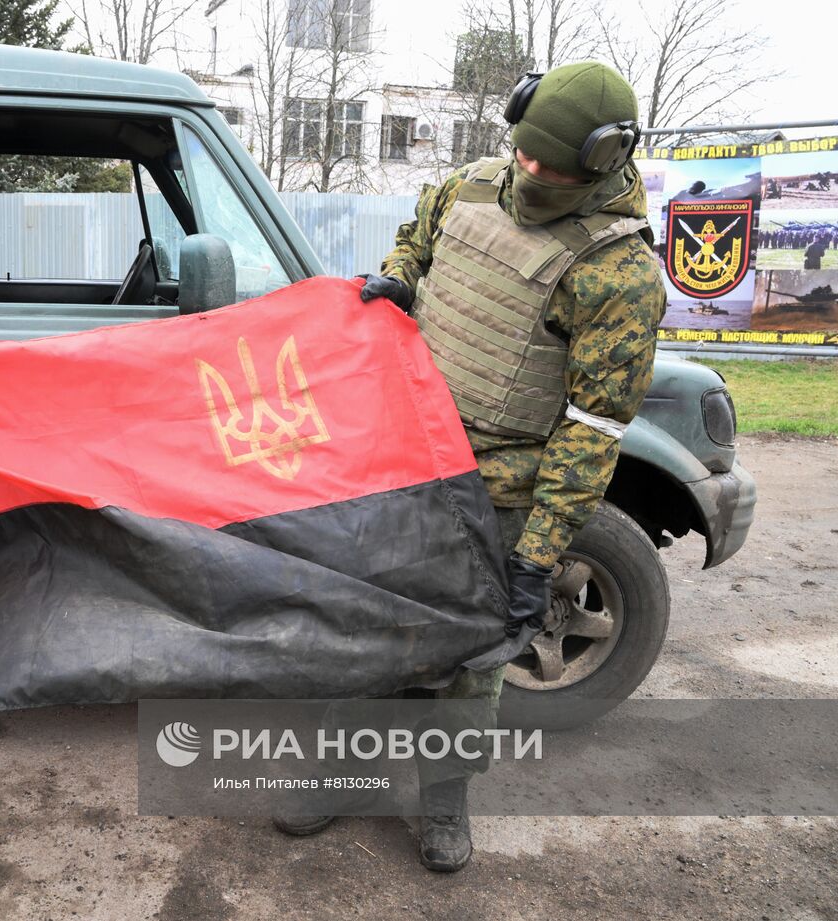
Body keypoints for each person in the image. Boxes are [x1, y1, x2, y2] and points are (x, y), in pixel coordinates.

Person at [277, 61, 665, 872]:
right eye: (520, 150)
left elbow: (593, 428)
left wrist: (538, 551)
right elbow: (420, 244)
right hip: (405, 461)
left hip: (503, 494)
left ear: (599, 160)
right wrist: (403, 278)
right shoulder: (469, 187)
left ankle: (445, 802)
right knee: (365, 633)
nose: (526, 172)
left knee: (471, 667)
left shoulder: (618, 275)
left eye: (547, 165)